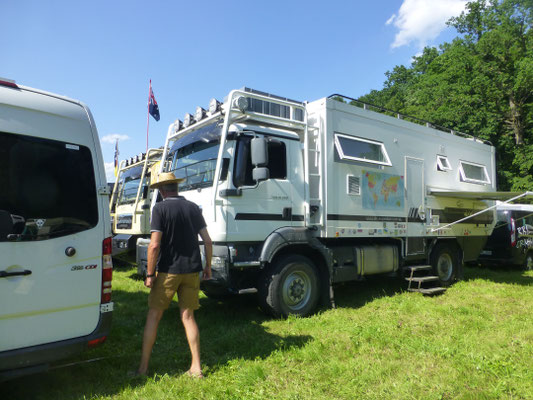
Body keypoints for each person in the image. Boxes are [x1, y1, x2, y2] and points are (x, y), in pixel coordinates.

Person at [136, 172, 212, 378]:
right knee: (188, 317)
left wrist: (150, 274)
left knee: (154, 315)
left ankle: (143, 368)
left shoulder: (159, 208)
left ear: (161, 190)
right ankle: (196, 367)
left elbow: (154, 245)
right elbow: (208, 240)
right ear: (176, 188)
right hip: (192, 270)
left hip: (169, 271)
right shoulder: (193, 208)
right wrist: (208, 267)